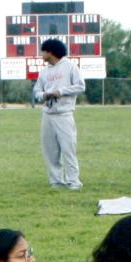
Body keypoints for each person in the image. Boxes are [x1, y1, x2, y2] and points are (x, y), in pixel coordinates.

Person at [35, 37, 85, 190]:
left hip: (64, 114)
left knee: (68, 148)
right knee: (50, 150)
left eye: (43, 51)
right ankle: (56, 181)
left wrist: (60, 92)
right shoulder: (44, 72)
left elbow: (80, 86)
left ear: (50, 52)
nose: (41, 54)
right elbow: (37, 90)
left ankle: (74, 181)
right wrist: (43, 95)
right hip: (48, 114)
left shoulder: (70, 67)